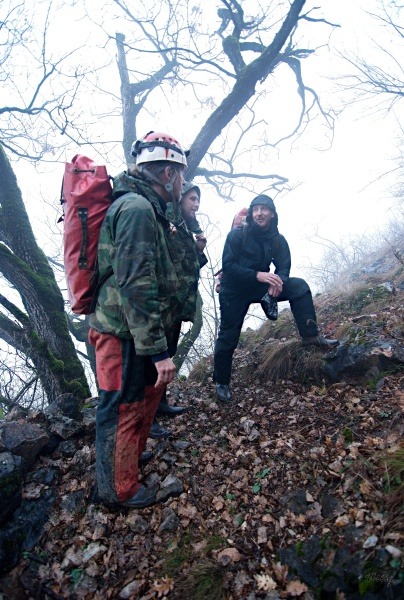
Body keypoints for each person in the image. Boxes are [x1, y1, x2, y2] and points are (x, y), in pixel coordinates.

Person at [88, 130, 190, 509]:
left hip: (131, 329)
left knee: (139, 399)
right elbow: (135, 283)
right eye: (180, 174)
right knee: (121, 407)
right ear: (167, 174)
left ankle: (126, 464)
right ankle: (116, 491)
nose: (182, 183)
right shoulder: (136, 210)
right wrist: (158, 351)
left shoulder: (146, 207)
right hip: (121, 331)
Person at [213, 194, 339, 403]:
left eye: (264, 209)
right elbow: (229, 267)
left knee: (299, 287)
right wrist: (258, 275)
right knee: (228, 335)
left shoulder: (277, 240)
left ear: (272, 214)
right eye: (256, 209)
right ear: (252, 214)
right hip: (233, 291)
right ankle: (221, 382)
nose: (259, 213)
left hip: (260, 286)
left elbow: (283, 265)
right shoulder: (237, 235)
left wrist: (278, 282)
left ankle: (311, 337)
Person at [150, 181, 207, 438]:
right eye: (192, 199)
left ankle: (159, 404)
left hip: (176, 306)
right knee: (152, 362)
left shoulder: (187, 227)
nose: (196, 204)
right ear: (180, 198)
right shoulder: (167, 222)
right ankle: (146, 418)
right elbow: (163, 260)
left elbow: (188, 266)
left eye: (198, 200)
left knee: (169, 354)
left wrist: (199, 251)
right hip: (161, 305)